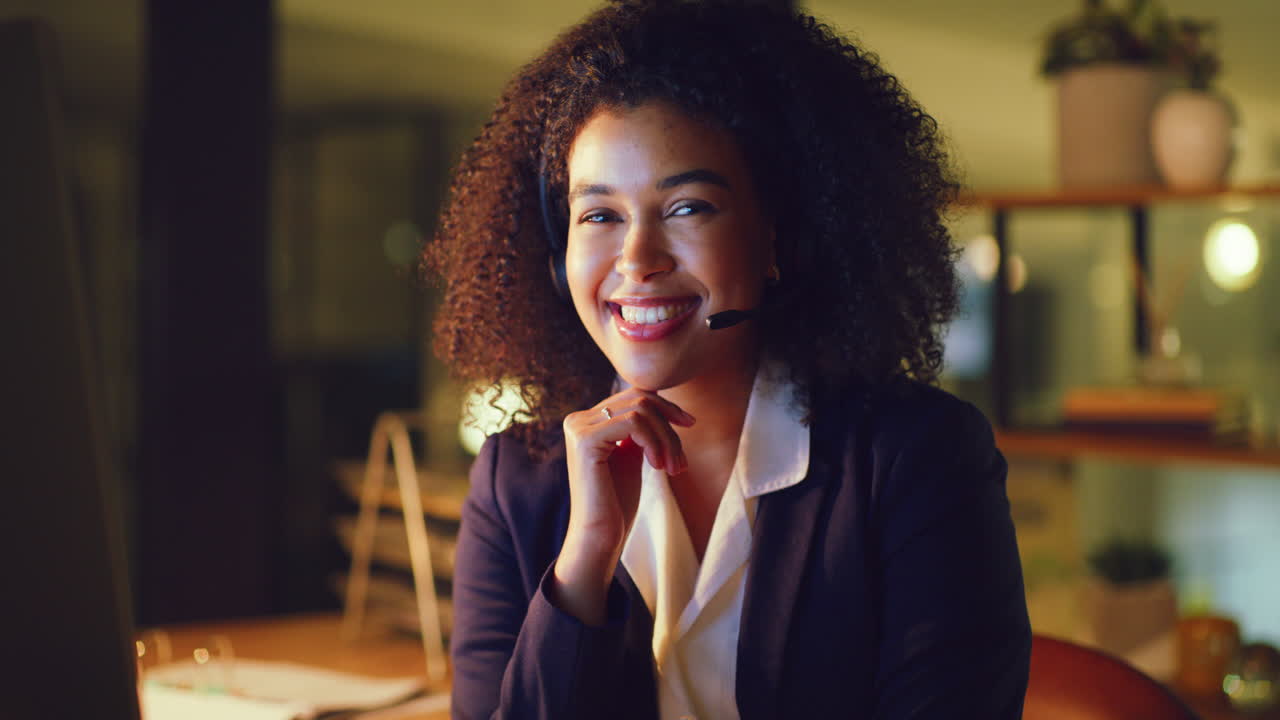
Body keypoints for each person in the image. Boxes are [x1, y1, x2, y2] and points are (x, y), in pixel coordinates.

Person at [424, 1, 1031, 718]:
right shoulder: (515, 484)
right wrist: (583, 565)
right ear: (559, 261)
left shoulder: (915, 462)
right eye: (600, 215)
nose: (637, 260)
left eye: (687, 208)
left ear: (779, 239)